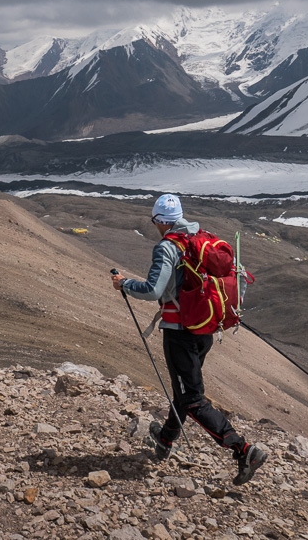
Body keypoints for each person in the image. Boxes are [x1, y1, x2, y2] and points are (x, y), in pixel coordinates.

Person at [111, 193, 268, 485]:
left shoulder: (167, 247)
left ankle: (243, 450)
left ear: (159, 222)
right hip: (205, 329)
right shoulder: (201, 238)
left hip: (179, 332)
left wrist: (124, 284)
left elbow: (153, 291)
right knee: (185, 389)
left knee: (191, 397)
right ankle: (166, 439)